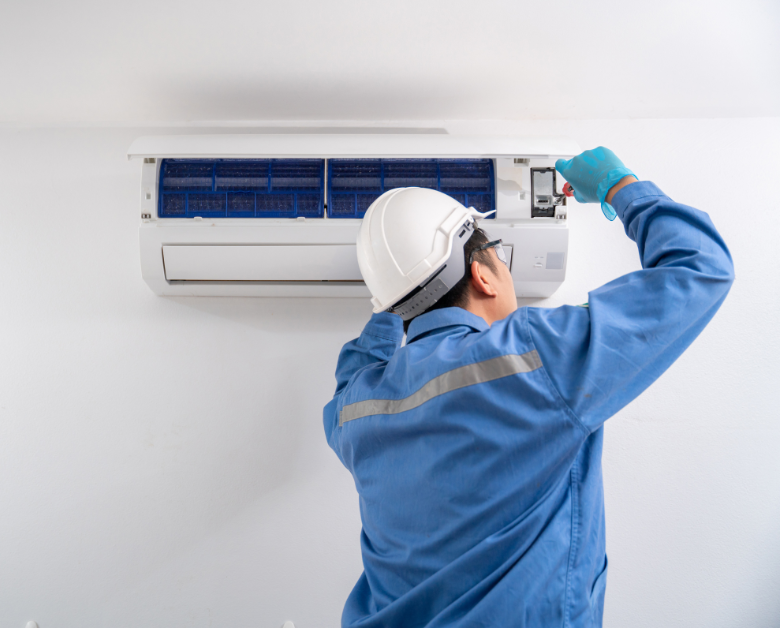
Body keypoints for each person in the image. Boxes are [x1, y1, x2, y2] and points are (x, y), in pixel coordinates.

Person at [322, 148, 734, 627]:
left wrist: (397, 296)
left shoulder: (356, 409)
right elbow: (699, 269)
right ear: (482, 275)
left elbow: (356, 366)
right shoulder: (535, 356)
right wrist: (618, 186)